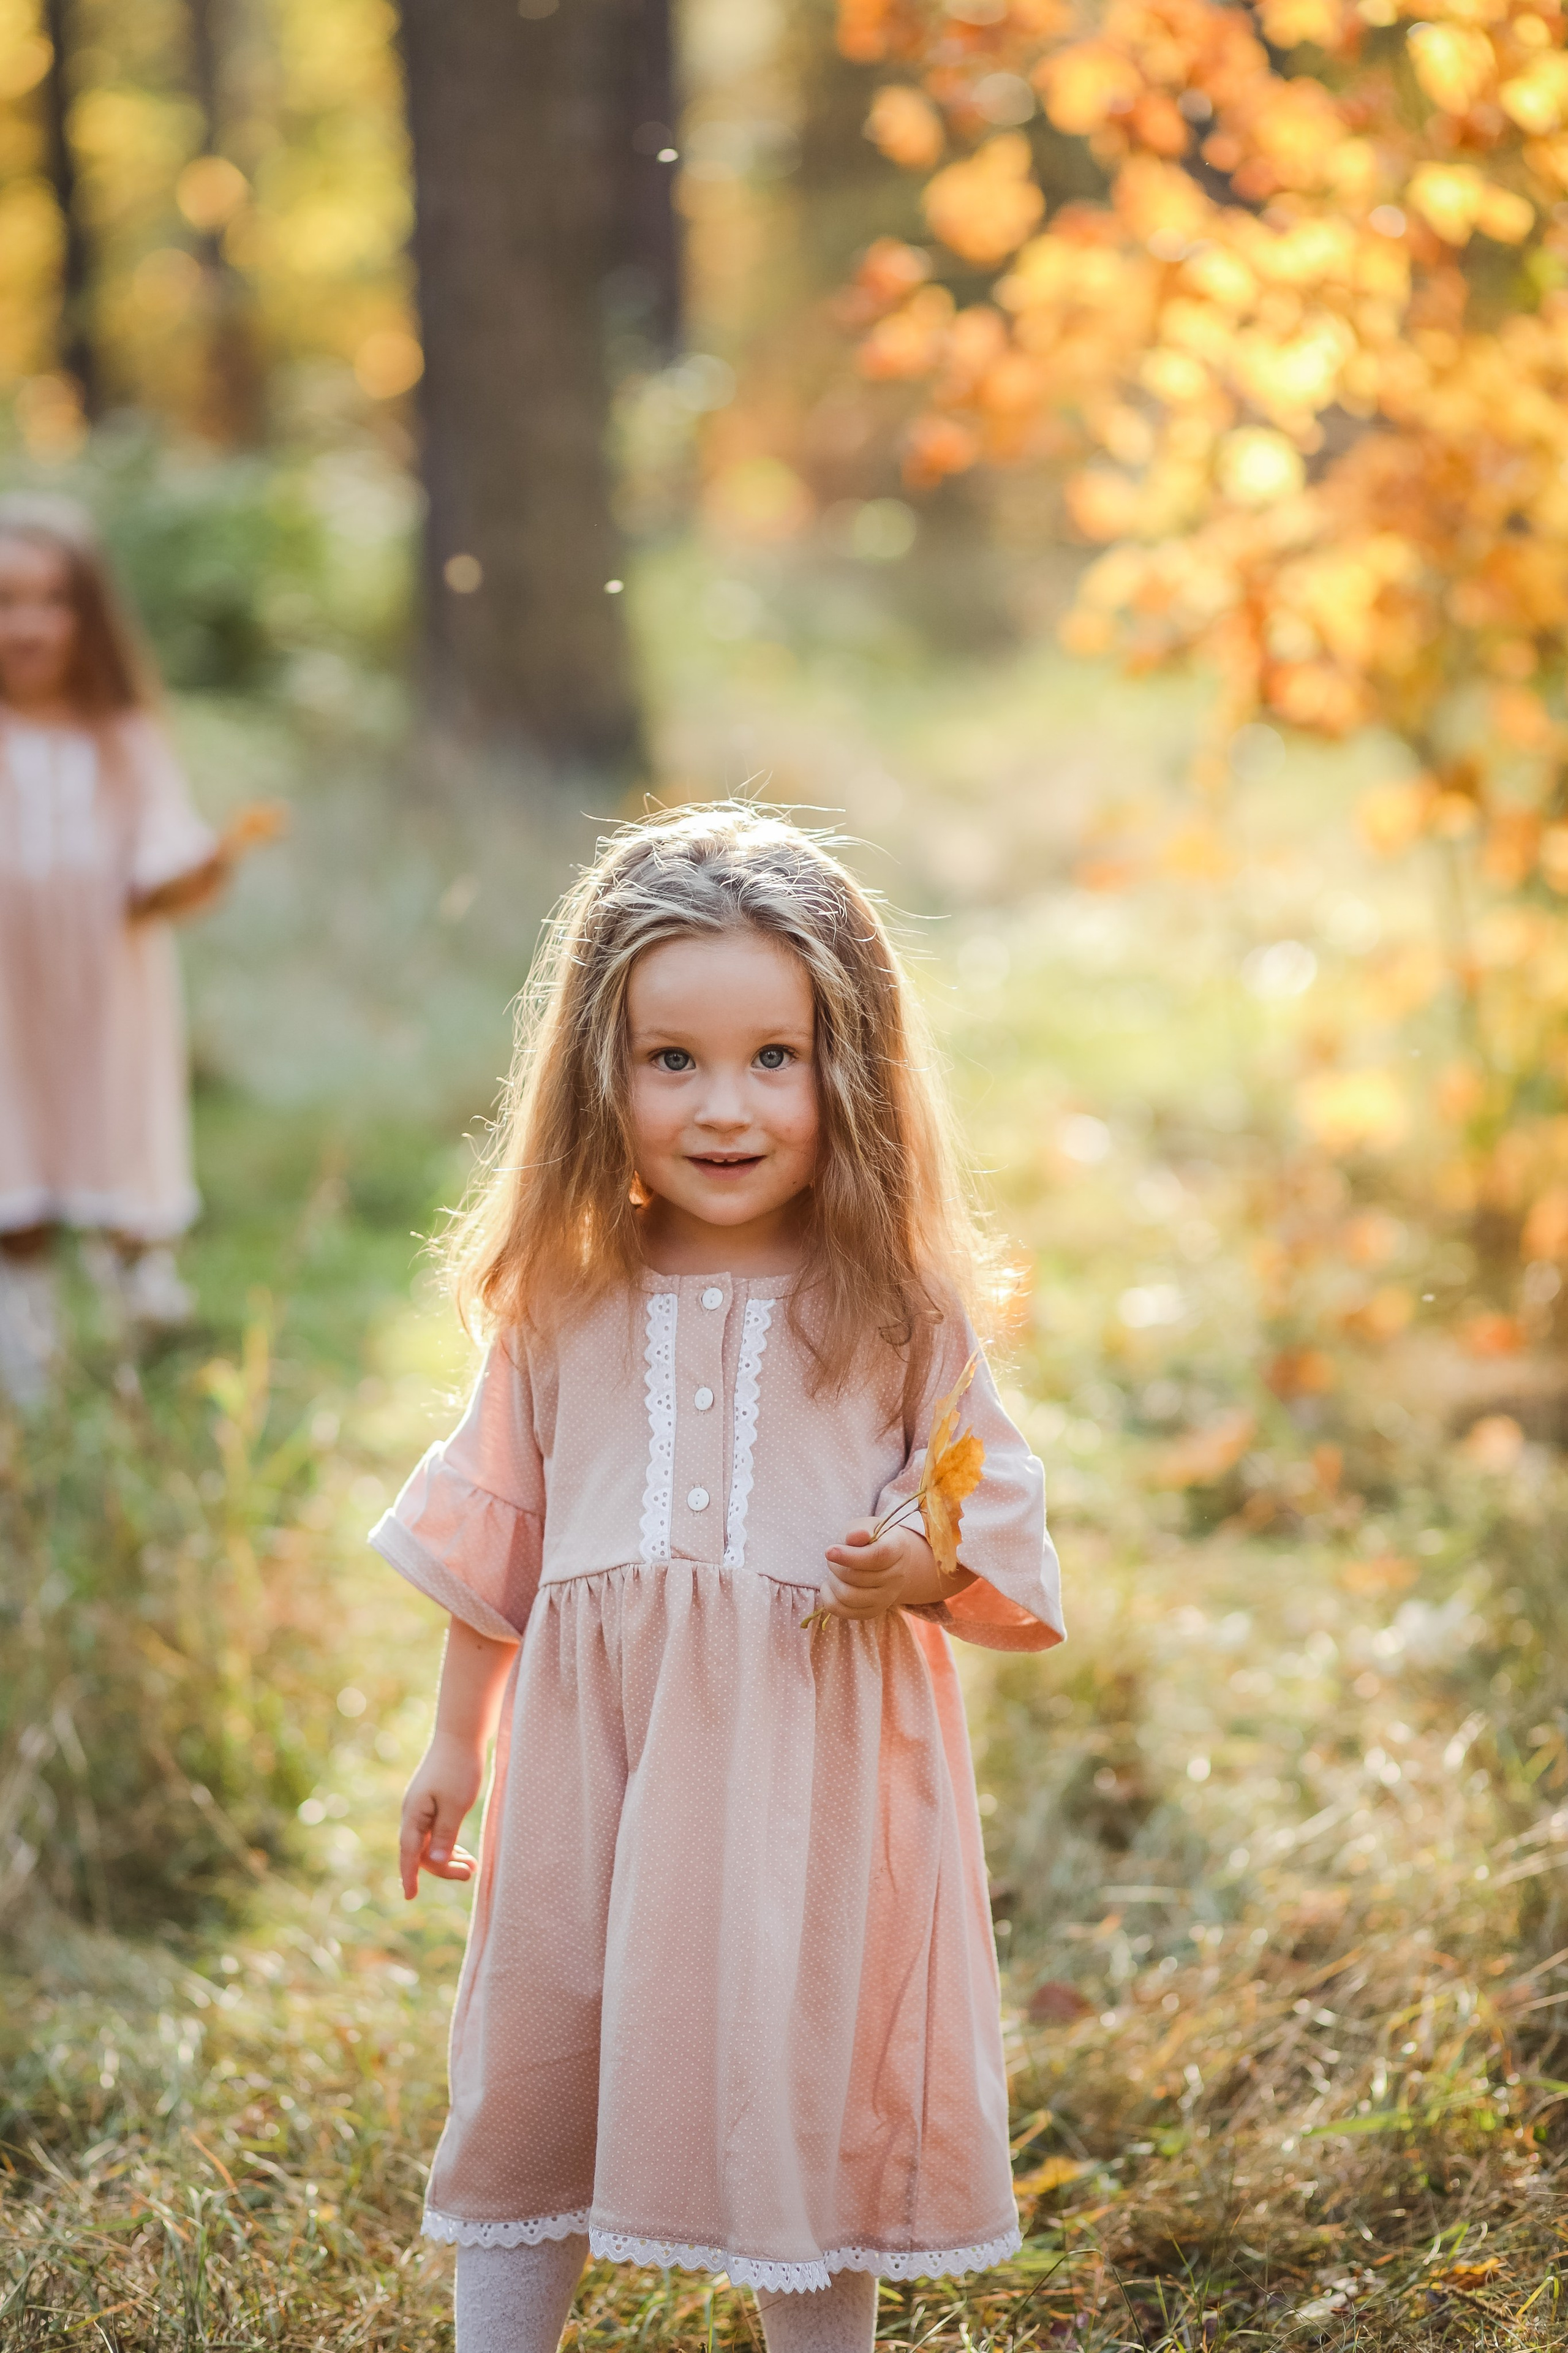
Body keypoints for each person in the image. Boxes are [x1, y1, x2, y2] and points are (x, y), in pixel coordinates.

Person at [370, 805, 1065, 2353]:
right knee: (542, 2045)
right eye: (668, 1060)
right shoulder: (562, 1291)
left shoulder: (889, 1300)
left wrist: (917, 1558)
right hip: (589, 1768)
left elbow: (981, 1494)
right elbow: (500, 1535)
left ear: (851, 1071)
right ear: (595, 1080)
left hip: (802, 1776)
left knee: (797, 2062)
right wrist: (452, 1742)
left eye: (776, 1056)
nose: (723, 1107)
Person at [0, 493, 273, 1405]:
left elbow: (161, 854)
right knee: (13, 1142)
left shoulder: (124, 738)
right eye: (6, 601)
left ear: (89, 617)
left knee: (114, 1124)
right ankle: (25, 1340)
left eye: (51, 600)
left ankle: (136, 1318)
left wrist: (201, 868)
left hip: (107, 987)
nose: (28, 624)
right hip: (7, 994)